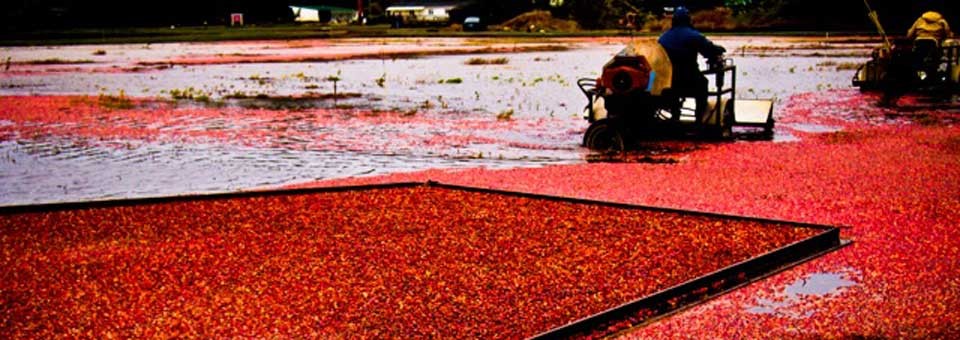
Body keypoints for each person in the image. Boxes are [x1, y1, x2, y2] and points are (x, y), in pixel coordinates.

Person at [657, 7, 726, 123]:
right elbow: (709, 50)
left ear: (673, 21)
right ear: (688, 20)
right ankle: (699, 118)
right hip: (689, 79)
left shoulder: (663, 38)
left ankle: (675, 115)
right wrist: (719, 49)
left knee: (674, 86)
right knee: (703, 83)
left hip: (668, 81)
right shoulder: (694, 36)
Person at [907, 11, 953, 84]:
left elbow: (909, 35)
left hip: (919, 44)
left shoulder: (919, 20)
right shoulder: (942, 21)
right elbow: (949, 35)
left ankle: (919, 77)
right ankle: (936, 77)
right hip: (933, 45)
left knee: (917, 61)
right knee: (943, 58)